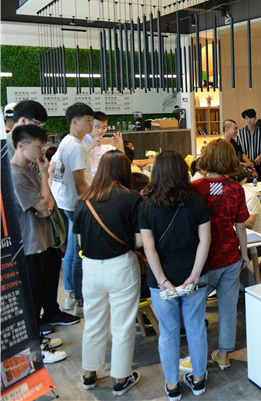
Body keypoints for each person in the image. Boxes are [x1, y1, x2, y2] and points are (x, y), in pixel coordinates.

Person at [139, 150, 211, 400]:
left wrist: (162, 280)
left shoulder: (146, 205)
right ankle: (198, 381)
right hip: (194, 275)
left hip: (161, 281)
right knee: (195, 328)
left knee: (168, 333)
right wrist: (195, 274)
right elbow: (205, 240)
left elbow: (149, 248)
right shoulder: (197, 202)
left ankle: (172, 386)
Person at [73, 151, 142, 395]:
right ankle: (121, 379)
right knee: (123, 325)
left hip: (91, 267)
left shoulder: (83, 200)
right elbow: (139, 240)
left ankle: (89, 374)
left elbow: (80, 242)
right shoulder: (132, 198)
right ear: (124, 170)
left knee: (93, 321)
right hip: (121, 265)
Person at [11, 125, 77, 362]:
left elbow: (46, 207)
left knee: (42, 291)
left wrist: (42, 176)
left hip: (43, 240)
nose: (42, 152)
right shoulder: (15, 174)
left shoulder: (28, 168)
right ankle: (36, 349)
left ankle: (39, 338)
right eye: (39, 146)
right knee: (33, 298)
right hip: (30, 244)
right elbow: (43, 206)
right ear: (22, 145)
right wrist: (45, 176)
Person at [186, 139, 250, 372]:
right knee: (228, 306)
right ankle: (223, 355)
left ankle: (196, 357)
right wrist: (244, 255)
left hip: (203, 260)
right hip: (230, 256)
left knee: (195, 308)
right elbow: (240, 226)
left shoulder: (194, 188)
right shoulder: (236, 189)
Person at [51, 102, 94, 317]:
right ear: (74, 122)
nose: (91, 124)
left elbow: (52, 168)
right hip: (77, 204)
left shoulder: (66, 142)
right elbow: (80, 183)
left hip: (65, 202)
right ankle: (79, 300)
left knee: (71, 251)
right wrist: (91, 205)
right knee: (78, 253)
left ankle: (70, 295)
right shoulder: (75, 146)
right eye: (88, 120)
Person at [83, 111, 124, 176]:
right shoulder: (81, 140)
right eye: (97, 127)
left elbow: (121, 162)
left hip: (104, 179)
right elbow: (75, 160)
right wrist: (91, 145)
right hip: (86, 179)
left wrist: (120, 146)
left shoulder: (107, 142)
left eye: (104, 128)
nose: (101, 131)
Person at [237, 108, 261, 181]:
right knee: (248, 186)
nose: (249, 120)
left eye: (251, 118)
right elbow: (239, 149)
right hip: (247, 166)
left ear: (255, 118)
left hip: (260, 164)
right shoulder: (240, 133)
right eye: (246, 118)